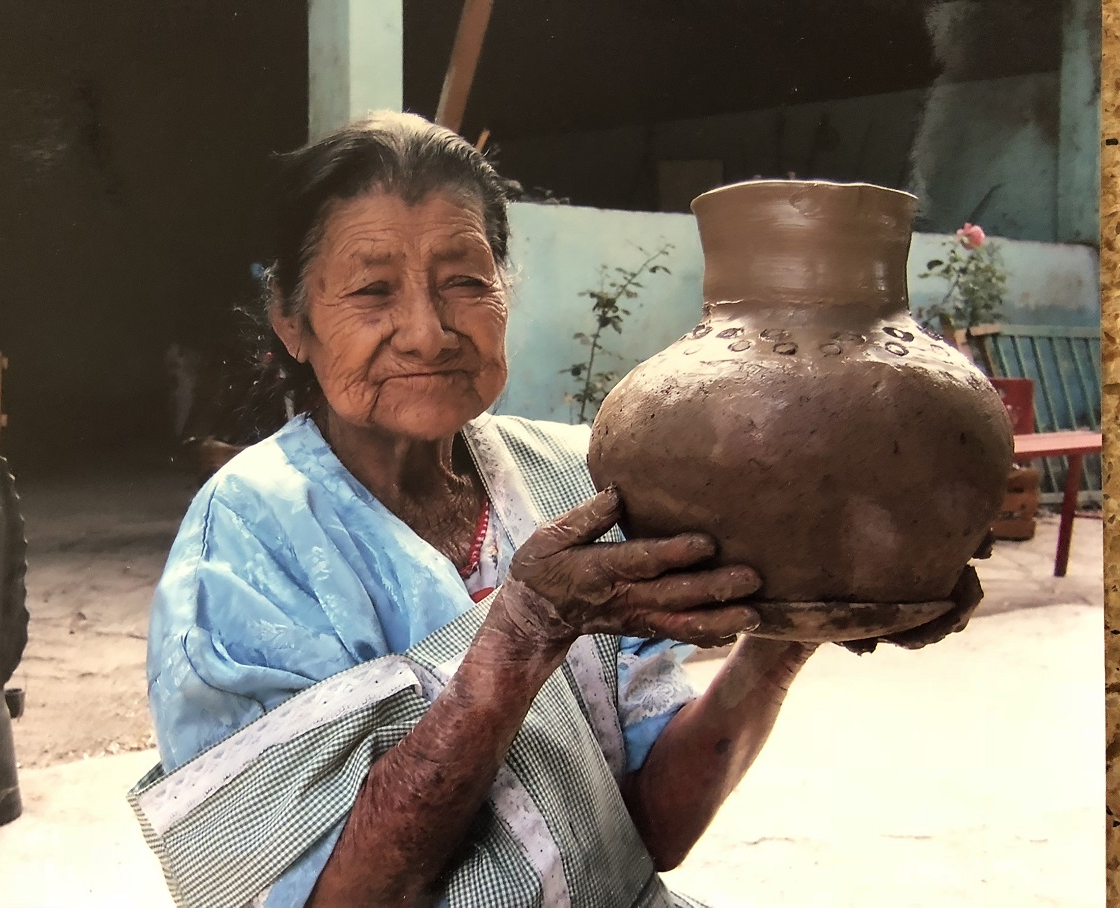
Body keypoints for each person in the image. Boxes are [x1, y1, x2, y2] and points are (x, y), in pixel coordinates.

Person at [130, 111, 983, 908]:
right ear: (291, 320)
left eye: (464, 280)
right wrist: (523, 634)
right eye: (372, 291)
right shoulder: (245, 540)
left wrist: (787, 635)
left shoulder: (578, 478)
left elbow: (652, 828)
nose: (429, 332)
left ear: (506, 289)